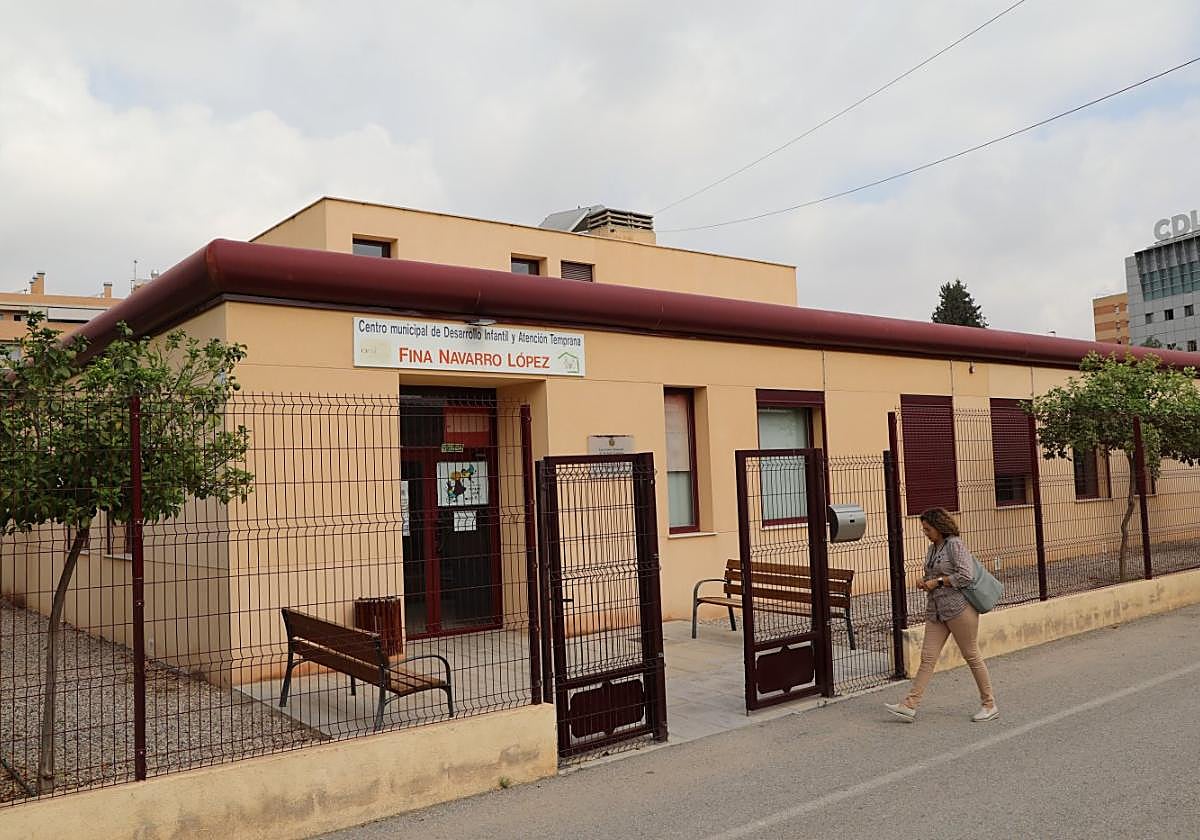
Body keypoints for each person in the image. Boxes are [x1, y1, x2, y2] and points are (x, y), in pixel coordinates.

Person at [885, 508, 998, 723]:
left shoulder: (955, 544)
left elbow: (966, 575)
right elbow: (933, 574)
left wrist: (937, 582)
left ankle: (989, 704)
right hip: (936, 610)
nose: (925, 533)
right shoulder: (932, 548)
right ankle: (909, 705)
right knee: (928, 657)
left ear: (939, 527)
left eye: (928, 529)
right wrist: (924, 581)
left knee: (971, 655)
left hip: (959, 609)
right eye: (924, 529)